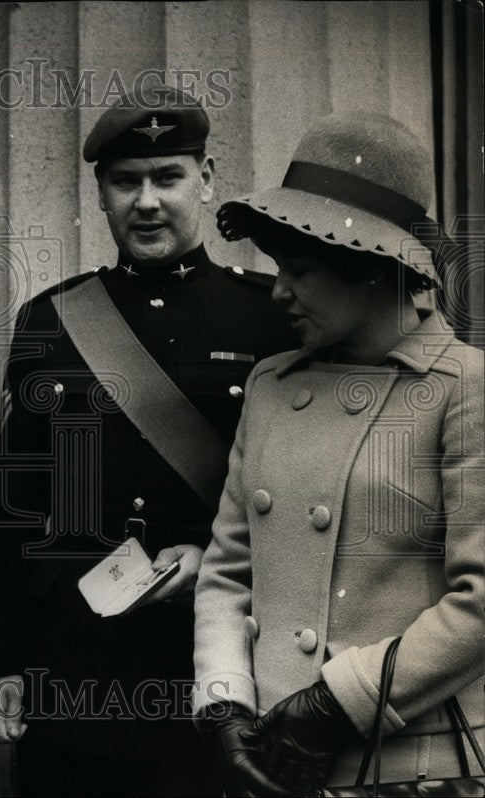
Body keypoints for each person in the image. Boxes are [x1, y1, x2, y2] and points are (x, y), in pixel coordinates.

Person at [0, 90, 297, 796]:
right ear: (101, 193)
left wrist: (215, 562)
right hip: (75, 664)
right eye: (126, 182)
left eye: (167, 177)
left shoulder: (270, 318)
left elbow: (306, 501)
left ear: (206, 179)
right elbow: (12, 505)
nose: (146, 202)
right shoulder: (53, 319)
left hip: (218, 665)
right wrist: (4, 660)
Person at [193, 113, 484, 794]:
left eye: (301, 271)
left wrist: (336, 702)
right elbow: (227, 573)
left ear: (373, 271)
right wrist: (226, 701)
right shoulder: (271, 385)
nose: (278, 292)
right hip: (277, 762)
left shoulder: (464, 388)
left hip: (414, 768)